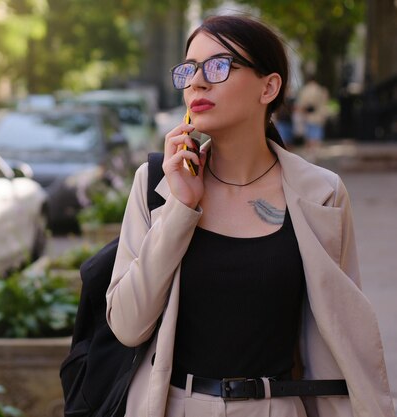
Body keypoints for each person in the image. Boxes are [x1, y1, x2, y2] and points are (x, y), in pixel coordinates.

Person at [105, 14, 394, 417]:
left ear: (268, 87)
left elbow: (343, 332)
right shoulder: (156, 183)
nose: (197, 82)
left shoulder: (321, 193)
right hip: (175, 406)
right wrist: (181, 207)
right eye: (189, 69)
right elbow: (127, 325)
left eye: (219, 67)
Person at [295, 75, 330, 149]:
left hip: (307, 117)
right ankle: (315, 152)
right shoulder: (320, 89)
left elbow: (301, 104)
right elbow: (324, 103)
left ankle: (309, 153)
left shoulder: (305, 90)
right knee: (316, 137)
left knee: (308, 137)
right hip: (318, 117)